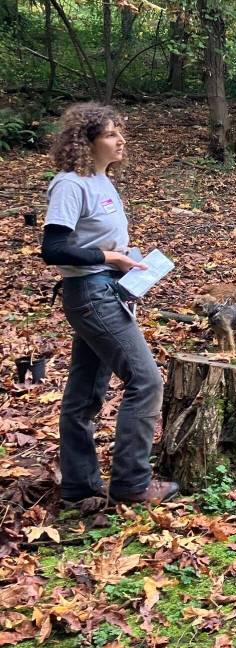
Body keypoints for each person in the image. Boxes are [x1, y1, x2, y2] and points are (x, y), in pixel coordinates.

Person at [40, 103, 179, 506]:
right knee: (146, 381)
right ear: (86, 141)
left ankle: (79, 487)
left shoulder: (102, 180)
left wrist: (125, 258)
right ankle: (132, 483)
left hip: (107, 288)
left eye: (120, 132)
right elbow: (53, 248)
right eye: (111, 134)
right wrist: (108, 257)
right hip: (91, 294)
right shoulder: (71, 185)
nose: (120, 141)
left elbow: (95, 240)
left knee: (85, 394)